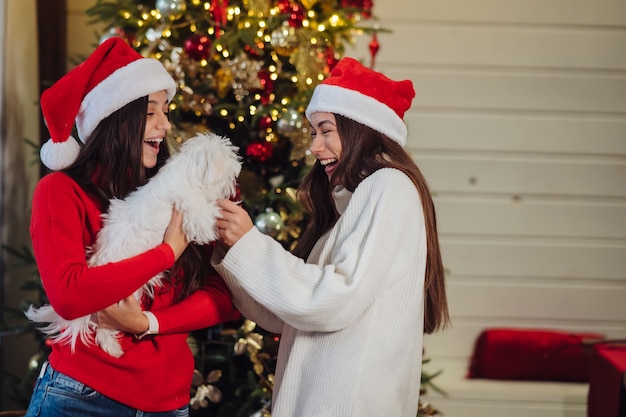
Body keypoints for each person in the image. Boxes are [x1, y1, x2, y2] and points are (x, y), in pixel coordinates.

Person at [212, 57, 450, 417]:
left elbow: (331, 300)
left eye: (325, 130)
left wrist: (249, 243)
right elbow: (285, 315)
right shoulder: (345, 211)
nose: (314, 147)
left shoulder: (388, 186)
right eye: (312, 133)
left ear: (360, 130)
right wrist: (229, 249)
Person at [24, 37, 238, 417]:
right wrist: (166, 253)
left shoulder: (177, 193)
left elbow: (226, 297)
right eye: (150, 112)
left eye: (166, 110)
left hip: (168, 407)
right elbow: (69, 294)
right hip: (80, 398)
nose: (166, 125)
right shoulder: (60, 192)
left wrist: (148, 322)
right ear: (114, 120)